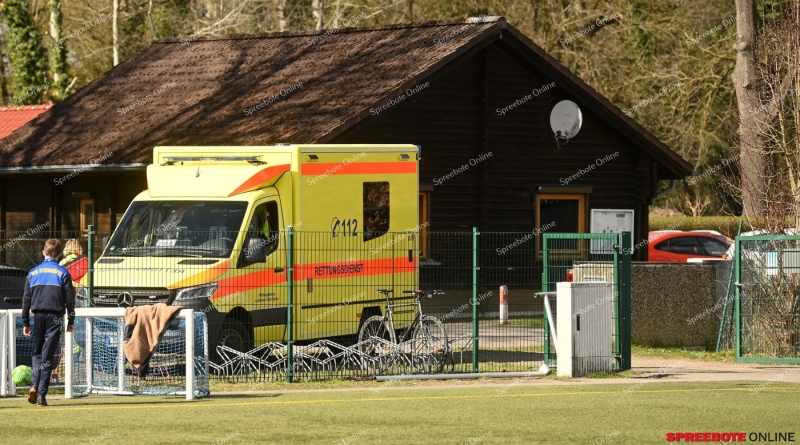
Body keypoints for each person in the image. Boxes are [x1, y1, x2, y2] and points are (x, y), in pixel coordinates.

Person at [22, 239, 76, 407]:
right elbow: (70, 299)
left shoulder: (33, 272)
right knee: (48, 355)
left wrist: (25, 322)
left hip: (38, 316)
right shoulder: (63, 273)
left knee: (37, 352)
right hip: (55, 317)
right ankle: (41, 395)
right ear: (60, 254)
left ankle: (34, 385)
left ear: (43, 252)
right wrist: (70, 319)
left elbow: (26, 300)